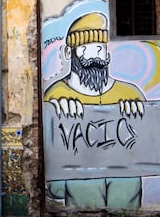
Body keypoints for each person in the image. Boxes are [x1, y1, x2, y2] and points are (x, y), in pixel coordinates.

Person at [44, 11, 146, 209]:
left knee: (127, 182)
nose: (94, 55)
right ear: (69, 52)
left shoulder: (128, 93)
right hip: (79, 177)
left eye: (99, 48)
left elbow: (146, 146)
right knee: (82, 185)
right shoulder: (56, 94)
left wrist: (137, 113)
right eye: (85, 47)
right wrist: (54, 107)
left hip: (122, 174)